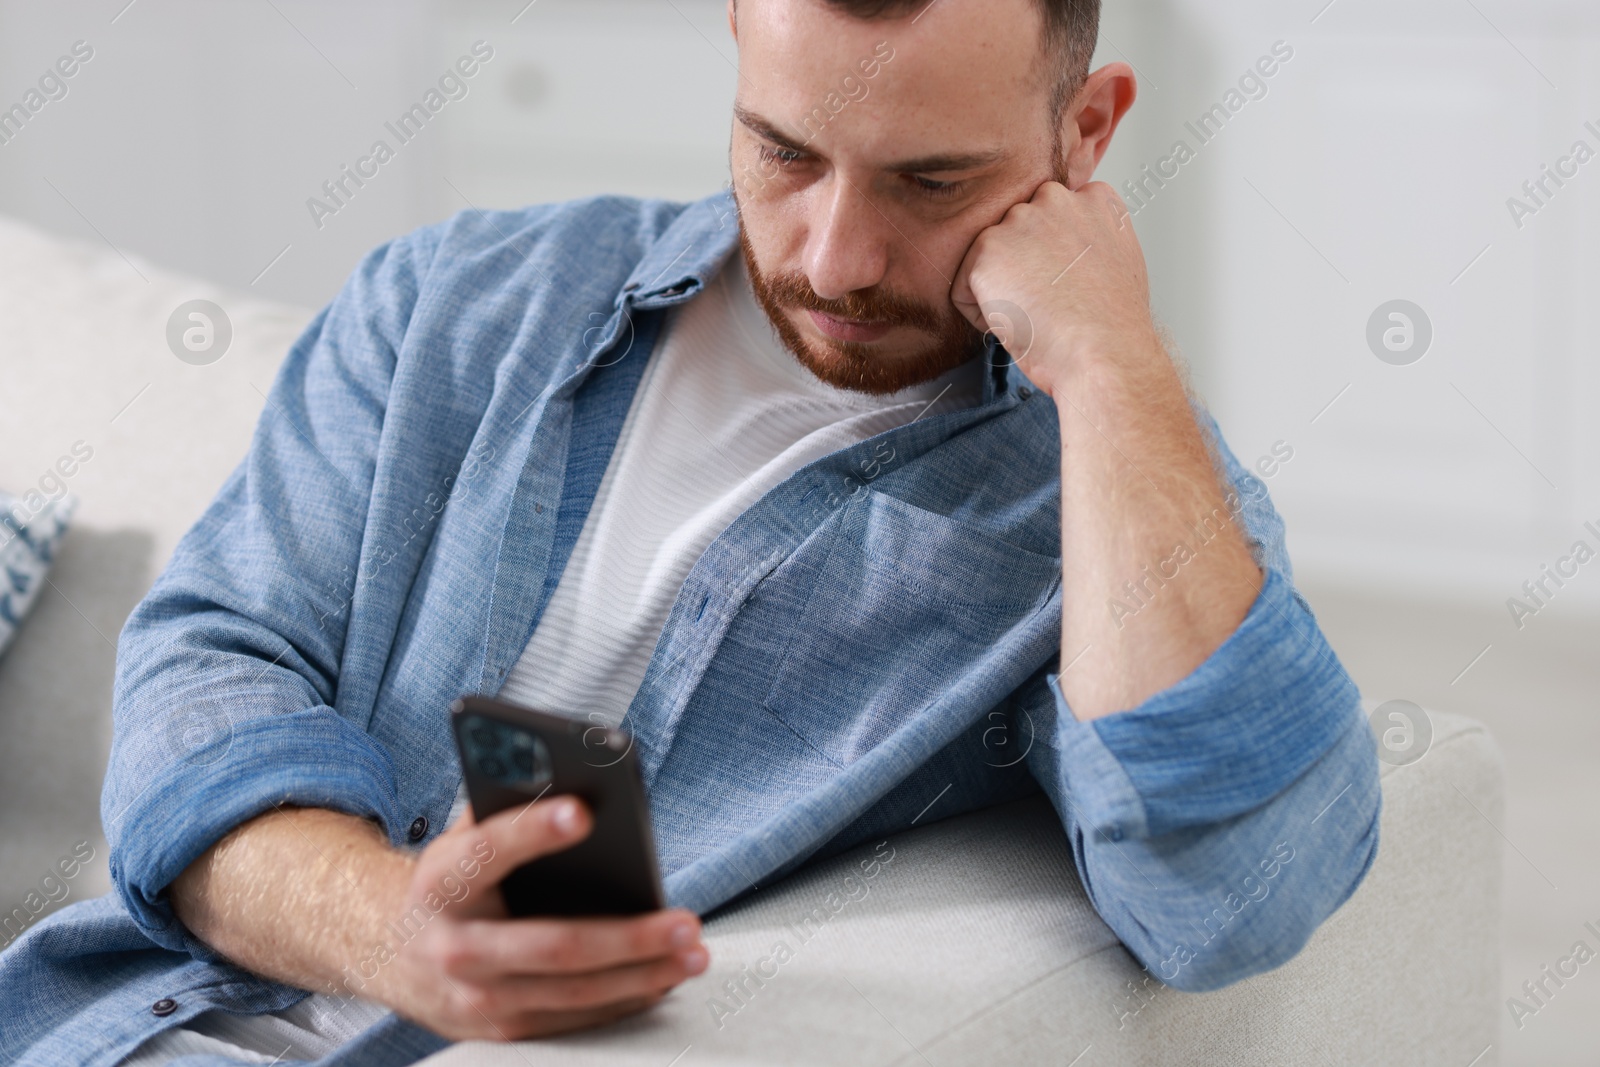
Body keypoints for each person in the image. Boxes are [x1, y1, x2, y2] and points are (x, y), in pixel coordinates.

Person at [0, 0, 1381, 1063]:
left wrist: (1112, 360)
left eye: (933, 186)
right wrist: (389, 928)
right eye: (785, 152)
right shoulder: (456, 297)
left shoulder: (1086, 494)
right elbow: (202, 668)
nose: (836, 256)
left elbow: (1231, 896)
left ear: (1085, 135)